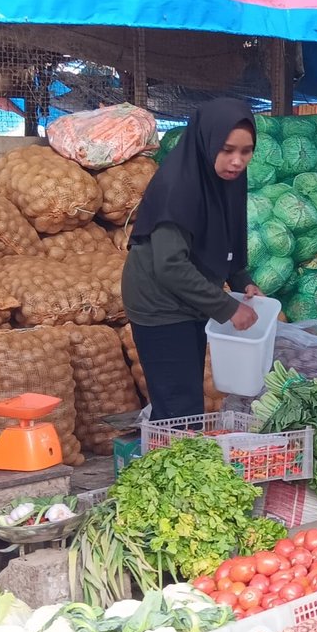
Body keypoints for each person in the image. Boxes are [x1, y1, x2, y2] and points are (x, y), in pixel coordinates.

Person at [121, 98, 263, 421]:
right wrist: (228, 307)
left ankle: (167, 463)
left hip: (188, 300)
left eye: (246, 151)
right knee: (180, 410)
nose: (237, 161)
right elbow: (170, 265)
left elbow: (225, 240)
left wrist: (244, 281)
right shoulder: (179, 186)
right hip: (158, 303)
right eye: (227, 150)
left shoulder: (227, 180)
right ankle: (162, 469)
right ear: (207, 142)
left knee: (183, 405)